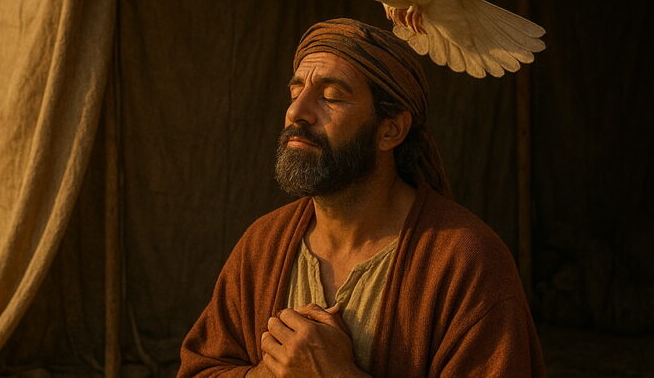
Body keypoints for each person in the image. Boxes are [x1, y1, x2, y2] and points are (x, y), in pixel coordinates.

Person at [178, 19, 546, 378]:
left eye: (331, 96)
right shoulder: (262, 246)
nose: (296, 112)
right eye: (295, 93)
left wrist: (336, 373)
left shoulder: (465, 262)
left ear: (390, 130)